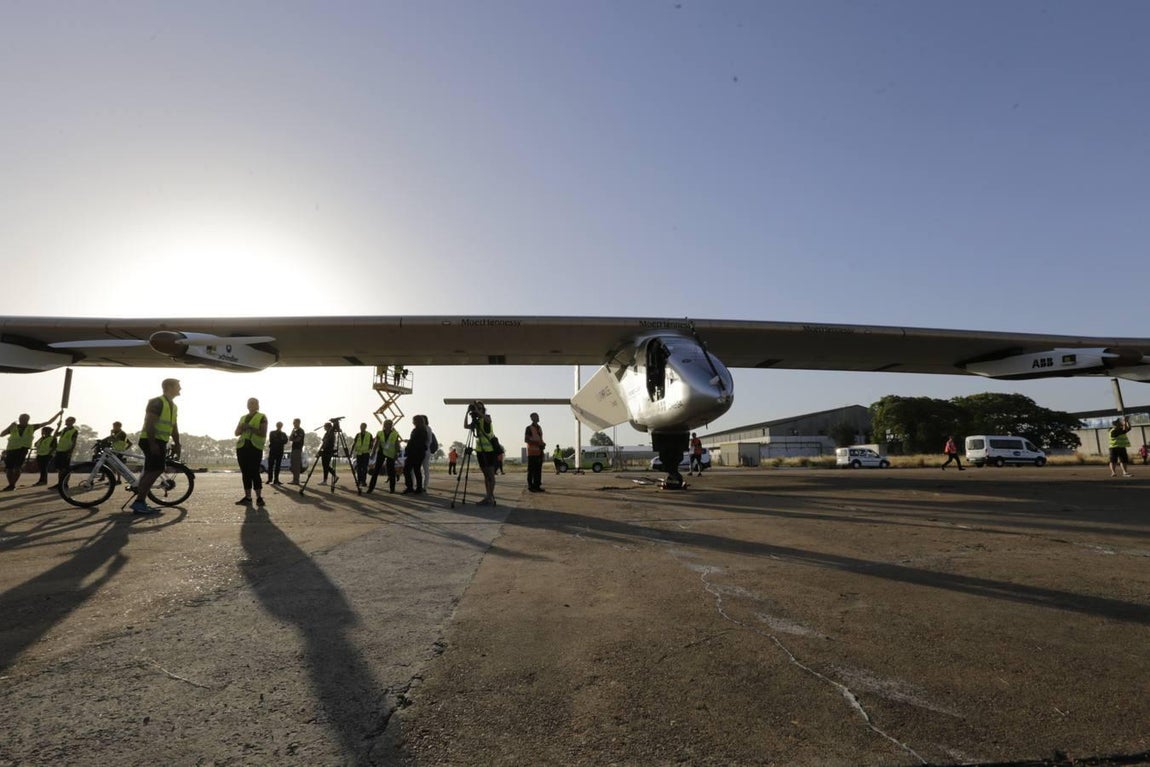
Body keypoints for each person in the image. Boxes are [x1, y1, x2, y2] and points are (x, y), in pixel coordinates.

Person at [132, 378, 181, 515]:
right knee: (156, 469)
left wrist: (177, 443)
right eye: (178, 386)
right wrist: (152, 443)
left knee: (150, 471)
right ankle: (139, 502)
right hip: (151, 440)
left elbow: (174, 427)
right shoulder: (157, 402)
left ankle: (140, 501)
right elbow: (149, 422)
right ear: (169, 387)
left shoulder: (173, 406)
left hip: (160, 441)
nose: (180, 389)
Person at [2, 410, 62, 491]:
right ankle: (10, 484)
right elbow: (2, 434)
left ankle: (12, 484)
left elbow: (48, 422)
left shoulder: (32, 427)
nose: (22, 420)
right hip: (11, 449)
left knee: (17, 467)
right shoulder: (13, 427)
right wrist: (9, 426)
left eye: (24, 418)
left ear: (28, 419)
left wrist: (58, 414)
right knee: (9, 468)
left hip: (22, 449)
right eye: (21, 418)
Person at [234, 397, 267, 506]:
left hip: (255, 448)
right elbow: (236, 432)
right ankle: (248, 497)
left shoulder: (262, 417)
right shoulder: (243, 417)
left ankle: (259, 498)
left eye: (253, 403)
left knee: (254, 472)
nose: (251, 405)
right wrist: (242, 428)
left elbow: (263, 433)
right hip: (242, 447)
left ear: (258, 405)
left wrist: (250, 427)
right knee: (245, 473)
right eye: (249, 403)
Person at [464, 402, 497, 505]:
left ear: (483, 409)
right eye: (476, 408)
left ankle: (490, 496)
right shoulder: (476, 421)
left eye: (479, 408)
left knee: (490, 475)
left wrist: (477, 411)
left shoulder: (486, 418)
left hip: (489, 452)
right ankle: (488, 496)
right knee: (486, 476)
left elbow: (488, 420)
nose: (477, 410)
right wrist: (467, 413)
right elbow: (465, 426)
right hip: (480, 451)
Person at [369, 419, 401, 493]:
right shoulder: (379, 433)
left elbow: (397, 444)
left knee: (391, 471)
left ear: (391, 426)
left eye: (389, 424)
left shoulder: (395, 434)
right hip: (381, 452)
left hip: (390, 454)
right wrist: (373, 453)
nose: (387, 426)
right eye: (386, 424)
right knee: (376, 471)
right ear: (384, 425)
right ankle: (371, 488)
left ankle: (392, 489)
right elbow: (376, 443)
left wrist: (396, 453)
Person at [403, 415, 429, 494]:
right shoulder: (422, 430)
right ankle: (418, 488)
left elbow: (415, 442)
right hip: (418, 453)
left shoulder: (418, 430)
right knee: (416, 470)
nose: (413, 422)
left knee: (407, 470)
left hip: (415, 453)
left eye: (414, 420)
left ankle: (411, 487)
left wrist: (409, 448)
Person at [51, 416, 79, 489]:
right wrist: (58, 427)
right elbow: (55, 435)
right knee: (60, 468)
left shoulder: (74, 431)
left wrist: (70, 451)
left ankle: (65, 483)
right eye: (66, 420)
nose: (66, 422)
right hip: (60, 450)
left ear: (72, 422)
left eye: (68, 421)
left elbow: (74, 442)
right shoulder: (64, 430)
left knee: (65, 468)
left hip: (66, 451)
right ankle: (60, 482)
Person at [524, 412, 545, 492]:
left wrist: (542, 444)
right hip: (532, 453)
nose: (538, 417)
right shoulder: (529, 428)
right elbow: (526, 440)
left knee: (538, 470)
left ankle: (537, 486)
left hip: (539, 452)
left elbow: (540, 439)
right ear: (532, 418)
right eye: (536, 416)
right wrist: (538, 443)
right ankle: (530, 486)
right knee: (531, 470)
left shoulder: (539, 428)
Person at [353, 422, 373, 487]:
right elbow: (354, 443)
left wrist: (370, 450)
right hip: (359, 454)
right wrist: (351, 452)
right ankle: (359, 481)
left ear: (365, 427)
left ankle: (363, 481)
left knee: (364, 468)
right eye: (361, 426)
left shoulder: (369, 435)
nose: (361, 428)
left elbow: (372, 444)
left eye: (363, 426)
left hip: (366, 454)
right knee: (359, 468)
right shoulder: (357, 435)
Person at [319, 422, 337, 487]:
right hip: (326, 451)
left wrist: (320, 450)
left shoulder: (330, 434)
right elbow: (324, 442)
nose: (324, 428)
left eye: (325, 426)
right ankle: (334, 476)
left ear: (328, 427)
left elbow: (325, 443)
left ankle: (325, 480)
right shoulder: (327, 433)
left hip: (327, 451)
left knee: (325, 466)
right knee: (326, 466)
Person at [423, 417, 438, 491]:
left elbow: (427, 440)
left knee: (425, 470)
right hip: (425, 450)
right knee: (425, 469)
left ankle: (424, 486)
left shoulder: (426, 428)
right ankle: (424, 486)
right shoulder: (428, 428)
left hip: (424, 450)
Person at [288, 418, 305, 484]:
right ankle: (294, 479)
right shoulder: (294, 430)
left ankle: (296, 480)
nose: (293, 424)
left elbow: (298, 439)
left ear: (298, 423)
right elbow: (290, 438)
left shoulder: (300, 431)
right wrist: (292, 434)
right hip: (294, 449)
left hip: (298, 449)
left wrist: (293, 439)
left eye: (294, 422)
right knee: (293, 465)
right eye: (293, 422)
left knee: (296, 465)